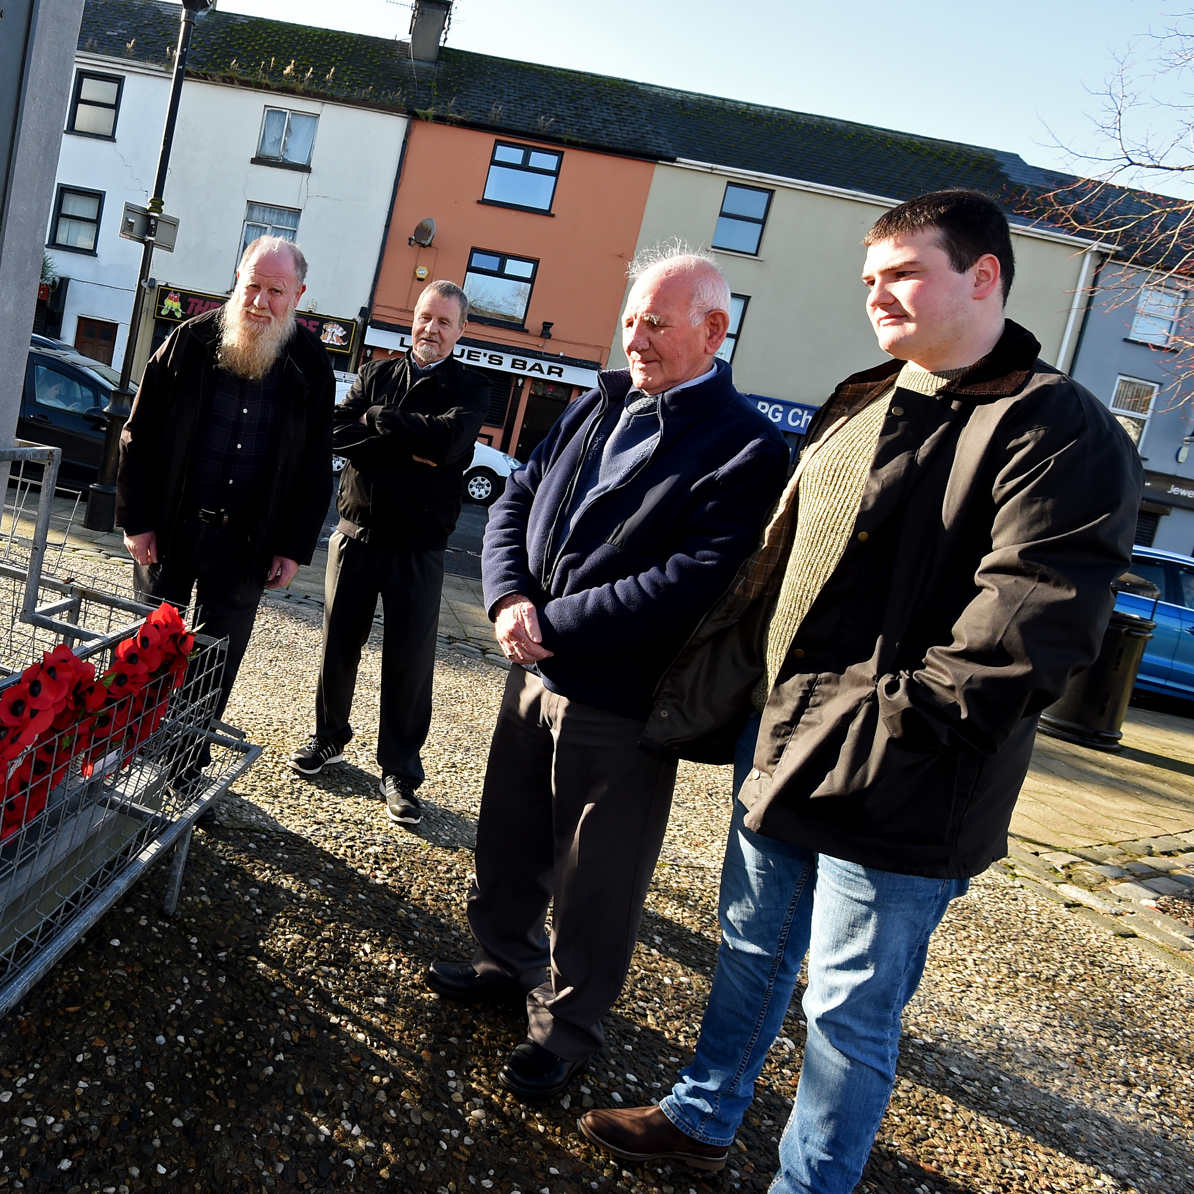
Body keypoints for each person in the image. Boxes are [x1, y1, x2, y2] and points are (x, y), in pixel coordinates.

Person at [580, 191, 1142, 1191]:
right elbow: (783, 567)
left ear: (982, 277)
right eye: (867, 279)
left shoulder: (1058, 429)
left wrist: (882, 725)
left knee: (845, 1012)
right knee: (749, 949)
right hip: (784, 736)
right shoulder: (863, 396)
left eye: (904, 273)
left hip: (904, 776)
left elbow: (1027, 630)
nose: (878, 295)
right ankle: (704, 1114)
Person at [426, 250, 790, 1103]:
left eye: (656, 323)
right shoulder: (597, 404)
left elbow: (691, 578)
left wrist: (549, 624)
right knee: (507, 834)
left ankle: (567, 1029)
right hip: (531, 667)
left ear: (712, 329)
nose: (636, 338)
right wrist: (508, 596)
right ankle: (502, 963)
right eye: (629, 320)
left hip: (618, 699)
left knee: (596, 877)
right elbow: (513, 499)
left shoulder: (743, 446)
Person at [289, 280, 490, 827]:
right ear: (414, 319)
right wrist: (412, 444)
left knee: (409, 662)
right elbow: (335, 432)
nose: (431, 329)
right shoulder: (377, 374)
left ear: (460, 329)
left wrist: (377, 422)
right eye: (425, 317)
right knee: (337, 645)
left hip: (419, 549)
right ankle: (328, 737)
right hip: (356, 534)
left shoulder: (470, 388)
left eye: (444, 322)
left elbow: (450, 444)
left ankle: (400, 770)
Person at [115, 236, 334, 740]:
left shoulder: (312, 364)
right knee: (147, 651)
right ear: (238, 280)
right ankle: (126, 749)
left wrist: (293, 548)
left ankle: (185, 765)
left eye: (275, 291)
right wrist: (136, 520)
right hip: (170, 529)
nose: (260, 302)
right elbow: (138, 435)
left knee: (215, 665)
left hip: (246, 543)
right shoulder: (189, 341)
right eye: (252, 285)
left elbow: (314, 469)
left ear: (298, 294)